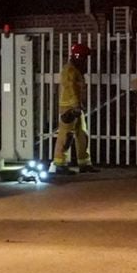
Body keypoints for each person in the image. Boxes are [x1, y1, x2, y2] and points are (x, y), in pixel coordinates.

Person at [51, 43, 97, 175]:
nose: (85, 61)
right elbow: (70, 88)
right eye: (84, 58)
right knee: (66, 136)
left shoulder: (75, 69)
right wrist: (76, 105)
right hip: (69, 107)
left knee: (82, 134)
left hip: (76, 107)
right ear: (79, 57)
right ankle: (60, 164)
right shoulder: (70, 70)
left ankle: (84, 163)